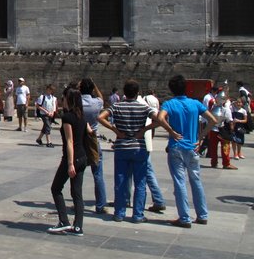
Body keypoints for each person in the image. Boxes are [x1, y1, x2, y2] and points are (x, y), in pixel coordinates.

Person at [98, 79, 176, 224]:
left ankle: (119, 213)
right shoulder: (143, 107)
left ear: (124, 93)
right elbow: (160, 119)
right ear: (138, 93)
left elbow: (100, 117)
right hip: (139, 148)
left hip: (122, 147)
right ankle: (137, 214)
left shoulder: (117, 106)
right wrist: (144, 129)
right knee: (140, 182)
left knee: (120, 181)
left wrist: (115, 130)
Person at [159, 74, 215, 228]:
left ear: (171, 90)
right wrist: (201, 137)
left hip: (176, 147)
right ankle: (202, 215)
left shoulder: (169, 104)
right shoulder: (195, 103)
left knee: (180, 182)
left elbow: (160, 118)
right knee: (196, 181)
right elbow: (213, 120)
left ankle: (184, 217)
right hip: (192, 147)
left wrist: (171, 131)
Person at [47, 86, 88, 236]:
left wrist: (70, 163)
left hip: (72, 158)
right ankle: (78, 227)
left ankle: (64, 221)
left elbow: (70, 141)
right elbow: (90, 133)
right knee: (77, 193)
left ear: (69, 100)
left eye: (64, 99)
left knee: (56, 188)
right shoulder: (82, 117)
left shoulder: (68, 117)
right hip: (83, 157)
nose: (62, 101)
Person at [79, 78, 108, 214]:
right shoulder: (97, 103)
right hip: (94, 140)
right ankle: (101, 205)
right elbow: (101, 97)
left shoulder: (77, 103)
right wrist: (95, 85)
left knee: (78, 174)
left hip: (79, 140)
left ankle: (77, 203)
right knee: (98, 173)